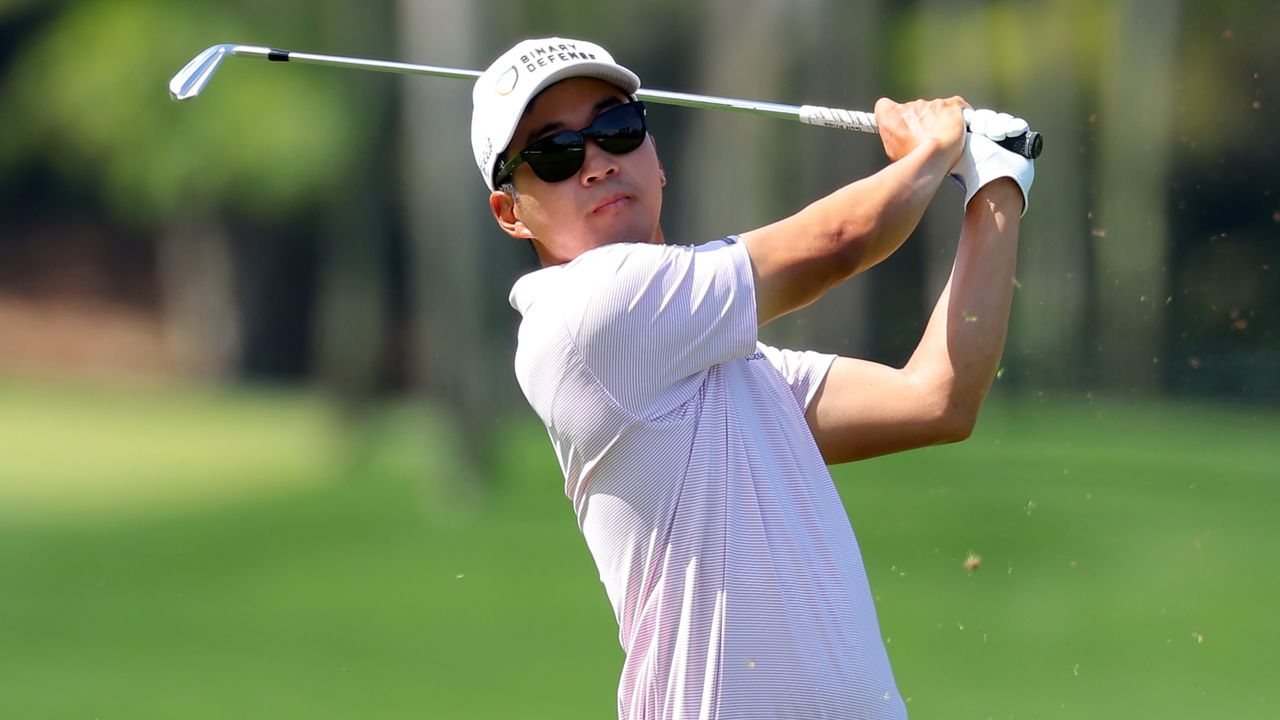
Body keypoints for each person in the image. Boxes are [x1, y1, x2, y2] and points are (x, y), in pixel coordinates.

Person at [470, 37, 1034, 720]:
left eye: (615, 129)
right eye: (555, 152)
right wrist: (935, 149)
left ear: (655, 157)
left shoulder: (737, 370)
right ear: (510, 212)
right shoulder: (584, 315)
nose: (596, 164)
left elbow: (938, 399)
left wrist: (997, 185)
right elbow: (841, 241)